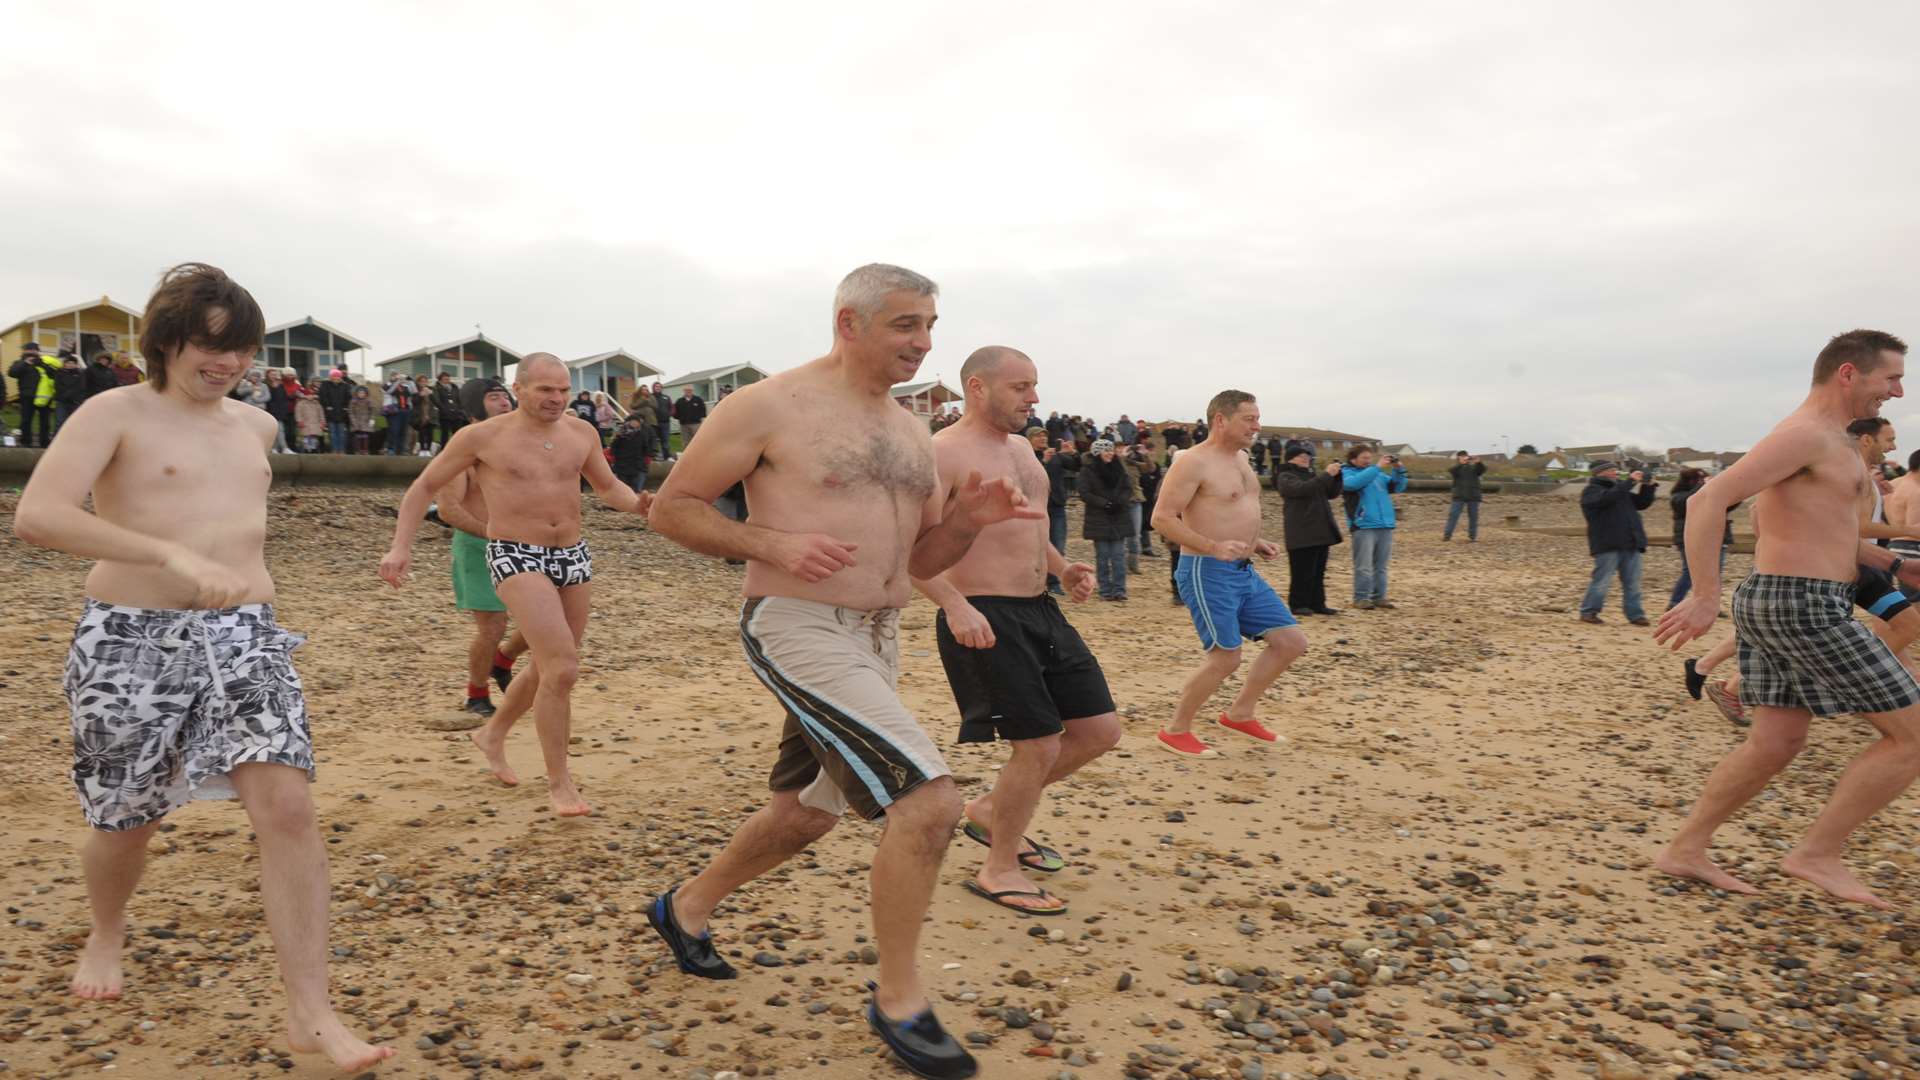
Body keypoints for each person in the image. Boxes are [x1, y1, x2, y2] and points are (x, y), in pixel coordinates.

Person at [645, 264, 1036, 1080]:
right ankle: (900, 1001)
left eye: (929, 324)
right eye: (904, 324)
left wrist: (965, 522)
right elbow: (672, 508)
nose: (922, 341)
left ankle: (684, 908)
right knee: (930, 800)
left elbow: (921, 557)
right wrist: (774, 542)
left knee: (806, 814)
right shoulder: (768, 406)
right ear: (849, 323)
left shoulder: (907, 431)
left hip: (876, 635)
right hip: (795, 625)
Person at [10, 262, 392, 1070]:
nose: (224, 365)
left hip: (246, 634)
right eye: (207, 347)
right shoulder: (113, 412)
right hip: (129, 637)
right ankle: (107, 932)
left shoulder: (257, 427)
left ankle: (311, 1009)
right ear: (165, 341)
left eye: (241, 350)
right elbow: (37, 516)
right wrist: (166, 554)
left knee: (287, 805)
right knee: (126, 818)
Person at [1655, 328, 1920, 909]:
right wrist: (1703, 594)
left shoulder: (1838, 441)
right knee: (1912, 736)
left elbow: (1832, 535)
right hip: (1802, 604)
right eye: (1891, 378)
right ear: (1848, 373)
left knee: (1776, 740)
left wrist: (1896, 564)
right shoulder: (1805, 435)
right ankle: (1817, 854)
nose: (1898, 392)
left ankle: (1686, 848)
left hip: (1787, 597)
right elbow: (1707, 500)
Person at [381, 355, 651, 816]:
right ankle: (560, 783)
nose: (557, 399)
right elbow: (423, 487)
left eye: (563, 390)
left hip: (572, 553)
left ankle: (491, 732)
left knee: (552, 666)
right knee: (563, 667)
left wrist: (645, 505)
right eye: (546, 389)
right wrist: (399, 548)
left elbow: (607, 488)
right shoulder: (482, 437)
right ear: (518, 388)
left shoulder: (581, 432)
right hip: (514, 553)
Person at [916, 349, 1120, 917]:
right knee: (1036, 745)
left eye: (1034, 386)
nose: (1033, 398)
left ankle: (989, 809)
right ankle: (997, 868)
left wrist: (1062, 567)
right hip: (982, 613)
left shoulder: (1024, 450)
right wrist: (955, 606)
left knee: (1099, 731)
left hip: (1040, 609)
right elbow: (912, 551)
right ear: (977, 388)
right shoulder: (941, 454)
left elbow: (1029, 528)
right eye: (1021, 387)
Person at [1151, 390, 1306, 757]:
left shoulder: (1241, 457)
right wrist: (1212, 547)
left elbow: (1231, 512)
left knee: (1290, 643)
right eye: (1249, 419)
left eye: (1257, 417)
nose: (1257, 425)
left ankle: (1240, 714)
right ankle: (1175, 730)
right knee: (1225, 657)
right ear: (1220, 420)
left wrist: (1256, 542)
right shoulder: (1192, 461)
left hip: (1243, 569)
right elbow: (1161, 518)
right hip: (1206, 570)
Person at [430, 378, 530, 717]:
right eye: (493, 397)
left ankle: (502, 661)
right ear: (474, 408)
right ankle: (476, 694)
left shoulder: (521, 446)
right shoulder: (462, 450)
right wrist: (491, 532)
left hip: (525, 544)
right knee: (492, 626)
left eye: (505, 396)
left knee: (551, 618)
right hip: (477, 546)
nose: (504, 402)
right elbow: (448, 508)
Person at [1578, 461, 1658, 624]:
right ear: (1600, 472)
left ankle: (1636, 615)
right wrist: (1630, 482)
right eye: (1611, 469)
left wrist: (1648, 486)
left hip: (1631, 542)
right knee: (1602, 581)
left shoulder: (1621, 489)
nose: (1616, 472)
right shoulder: (1591, 491)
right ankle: (1588, 611)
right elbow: (1606, 499)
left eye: (1615, 469)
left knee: (1633, 583)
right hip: (1607, 543)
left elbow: (1642, 503)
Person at [1272, 439, 1344, 615]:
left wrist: (1336, 477)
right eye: (1301, 456)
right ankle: (1298, 604)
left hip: (1320, 530)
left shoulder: (1313, 475)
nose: (1305, 459)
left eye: (1307, 456)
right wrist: (1326, 475)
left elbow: (1331, 493)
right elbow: (1301, 490)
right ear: (1290, 459)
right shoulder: (1285, 476)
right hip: (1301, 532)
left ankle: (1318, 603)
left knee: (1318, 571)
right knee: (1301, 571)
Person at [1342, 446, 1408, 610]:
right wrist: (1377, 467)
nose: (1368, 461)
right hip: (1363, 525)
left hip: (1384, 524)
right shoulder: (1348, 473)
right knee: (1363, 565)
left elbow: (1397, 487)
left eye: (1369, 458)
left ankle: (1379, 597)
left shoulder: (1378, 474)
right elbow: (1352, 485)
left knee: (1381, 565)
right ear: (1353, 459)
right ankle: (1361, 598)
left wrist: (1399, 469)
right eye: (1364, 458)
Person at [1669, 467, 1733, 608]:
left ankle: (1709, 604)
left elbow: (1729, 505)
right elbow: (1688, 502)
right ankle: (1675, 602)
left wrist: (1731, 491)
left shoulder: (1711, 495)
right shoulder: (1678, 496)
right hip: (1689, 538)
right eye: (1697, 480)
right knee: (1690, 573)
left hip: (1716, 538)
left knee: (1715, 573)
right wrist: (1703, 486)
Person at [1077, 438, 1132, 600]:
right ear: (1097, 453)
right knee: (1102, 557)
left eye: (1111, 450)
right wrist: (1104, 504)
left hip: (1119, 516)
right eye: (1105, 450)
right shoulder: (1087, 471)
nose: (1110, 453)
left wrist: (1119, 502)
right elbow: (1085, 493)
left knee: (1118, 556)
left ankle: (1120, 590)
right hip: (1098, 518)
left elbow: (1128, 488)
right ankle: (1105, 590)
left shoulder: (1120, 468)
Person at [1031, 429, 1069, 595]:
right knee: (1036, 546)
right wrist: (1044, 462)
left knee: (1058, 545)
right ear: (1030, 439)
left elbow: (1076, 466)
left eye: (1045, 435)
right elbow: (1030, 477)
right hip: (1036, 508)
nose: (1043, 438)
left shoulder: (1055, 456)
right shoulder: (1027, 456)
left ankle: (1054, 583)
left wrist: (1071, 453)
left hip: (1057, 506)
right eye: (1039, 436)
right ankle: (1037, 582)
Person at [11, 341, 58, 447]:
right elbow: (12, 373)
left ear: (37, 351)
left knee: (45, 422)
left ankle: (44, 443)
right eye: (29, 349)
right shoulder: (19, 362)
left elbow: (54, 375)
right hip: (27, 396)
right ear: (25, 351)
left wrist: (41, 364)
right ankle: (26, 442)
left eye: (34, 350)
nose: (31, 351)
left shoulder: (44, 362)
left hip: (44, 397)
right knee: (26, 420)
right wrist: (25, 363)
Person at [1443, 451, 1486, 541]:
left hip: (1473, 495)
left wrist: (1479, 462)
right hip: (1459, 496)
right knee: (1453, 515)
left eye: (1465, 456)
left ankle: (1472, 536)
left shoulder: (1474, 467)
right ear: (1458, 458)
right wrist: (1460, 464)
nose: (1464, 458)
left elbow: (1482, 470)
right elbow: (1452, 471)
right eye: (1462, 456)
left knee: (1473, 516)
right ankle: (1447, 535)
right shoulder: (1456, 468)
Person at [610, 413, 651, 493]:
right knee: (623, 486)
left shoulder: (641, 434)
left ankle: (633, 502)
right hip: (622, 463)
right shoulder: (621, 433)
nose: (635, 423)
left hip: (636, 463)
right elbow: (614, 446)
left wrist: (645, 458)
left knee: (634, 486)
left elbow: (645, 448)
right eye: (633, 421)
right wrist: (614, 457)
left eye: (637, 422)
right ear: (628, 422)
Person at [317, 369, 352, 453]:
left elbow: (348, 397)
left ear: (340, 378)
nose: (336, 379)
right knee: (332, 433)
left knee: (341, 433)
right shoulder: (325, 385)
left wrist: (345, 407)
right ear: (331, 377)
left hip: (341, 413)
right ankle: (334, 449)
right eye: (334, 377)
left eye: (338, 377)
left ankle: (342, 450)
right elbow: (323, 397)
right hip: (330, 413)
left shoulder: (345, 386)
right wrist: (327, 406)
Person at [52, 352, 88, 435]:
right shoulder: (59, 373)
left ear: (76, 364)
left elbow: (80, 387)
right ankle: (57, 441)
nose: (70, 365)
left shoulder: (80, 374)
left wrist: (74, 397)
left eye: (73, 363)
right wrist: (64, 396)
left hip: (74, 402)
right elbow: (57, 386)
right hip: (62, 401)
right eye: (68, 363)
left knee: (73, 422)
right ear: (65, 364)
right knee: (59, 422)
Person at [432, 370, 468, 447]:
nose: (447, 380)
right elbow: (436, 400)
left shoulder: (454, 387)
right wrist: (444, 409)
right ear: (440, 379)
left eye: (448, 379)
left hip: (456, 414)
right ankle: (444, 450)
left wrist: (459, 409)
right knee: (444, 433)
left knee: (457, 433)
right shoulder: (436, 388)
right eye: (445, 379)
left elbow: (459, 399)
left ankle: (456, 449)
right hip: (444, 415)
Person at [293, 381, 325, 453]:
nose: (310, 396)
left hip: (315, 423)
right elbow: (298, 412)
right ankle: (306, 449)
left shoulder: (317, 404)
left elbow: (321, 413)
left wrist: (322, 422)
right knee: (306, 438)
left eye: (312, 394)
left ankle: (313, 449)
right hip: (305, 423)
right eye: (309, 394)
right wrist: (299, 421)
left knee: (314, 437)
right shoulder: (301, 403)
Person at [411, 373, 438, 454]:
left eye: (425, 381)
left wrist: (431, 394)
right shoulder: (415, 390)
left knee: (430, 433)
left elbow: (437, 402)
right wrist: (420, 395)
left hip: (430, 415)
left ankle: (428, 450)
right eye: (421, 381)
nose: (424, 383)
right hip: (420, 415)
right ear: (418, 382)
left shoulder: (432, 390)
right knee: (422, 432)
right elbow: (414, 402)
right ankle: (422, 450)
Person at [347, 385, 376, 454]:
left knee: (365, 436)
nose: (361, 394)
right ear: (357, 393)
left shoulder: (368, 401)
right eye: (360, 393)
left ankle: (365, 450)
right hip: (356, 421)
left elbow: (372, 411)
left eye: (363, 393)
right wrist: (353, 420)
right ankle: (357, 450)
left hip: (365, 421)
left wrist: (372, 419)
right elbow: (350, 412)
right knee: (357, 437)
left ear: (365, 394)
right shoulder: (353, 401)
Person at [650, 381, 675, 460]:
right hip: (653, 423)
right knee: (654, 441)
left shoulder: (666, 397)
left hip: (665, 423)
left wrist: (669, 414)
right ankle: (655, 456)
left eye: (659, 386)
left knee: (665, 441)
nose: (658, 388)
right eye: (656, 386)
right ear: (653, 388)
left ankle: (666, 456)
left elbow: (672, 408)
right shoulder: (650, 397)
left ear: (661, 388)